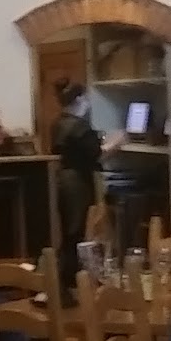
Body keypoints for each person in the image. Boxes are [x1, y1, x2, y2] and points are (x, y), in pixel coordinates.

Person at [50, 81, 123, 291]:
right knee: (79, 232)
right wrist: (116, 143)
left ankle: (65, 281)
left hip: (63, 181)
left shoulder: (58, 123)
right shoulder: (80, 126)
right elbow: (97, 155)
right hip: (79, 184)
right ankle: (76, 281)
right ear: (80, 99)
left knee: (69, 232)